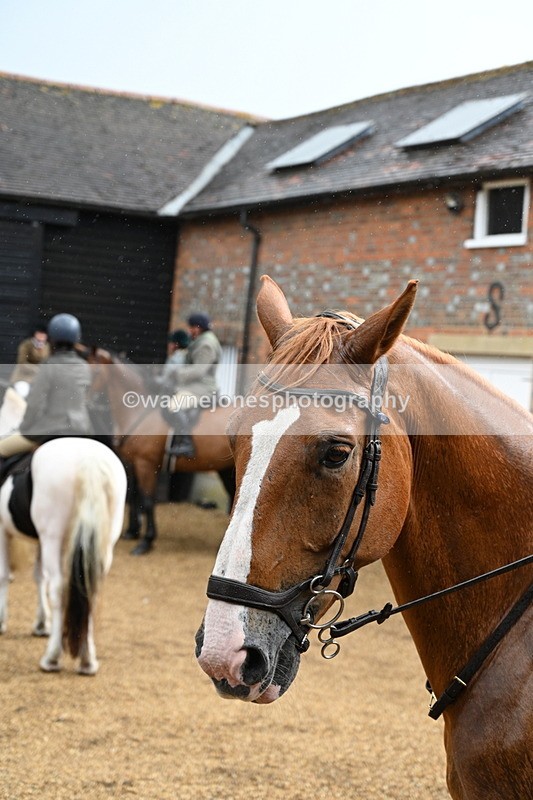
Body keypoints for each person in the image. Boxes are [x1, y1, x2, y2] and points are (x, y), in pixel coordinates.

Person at [0, 313, 93, 468]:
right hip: (81, 429)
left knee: (1, 448)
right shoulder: (84, 367)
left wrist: (25, 427)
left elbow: (35, 404)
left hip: (50, 429)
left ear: (52, 339)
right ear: (77, 339)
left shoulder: (49, 366)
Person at [162, 313, 221, 458]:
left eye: (192, 327)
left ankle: (186, 443)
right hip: (196, 386)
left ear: (199, 327)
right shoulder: (202, 340)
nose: (190, 331)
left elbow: (199, 370)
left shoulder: (206, 344)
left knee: (174, 405)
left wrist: (177, 374)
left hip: (203, 388)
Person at [9, 324, 50, 398]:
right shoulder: (26, 345)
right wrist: (37, 369)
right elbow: (22, 363)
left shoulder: (47, 346)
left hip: (39, 379)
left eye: (43, 335)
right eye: (39, 334)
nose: (41, 337)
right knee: (23, 393)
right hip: (23, 377)